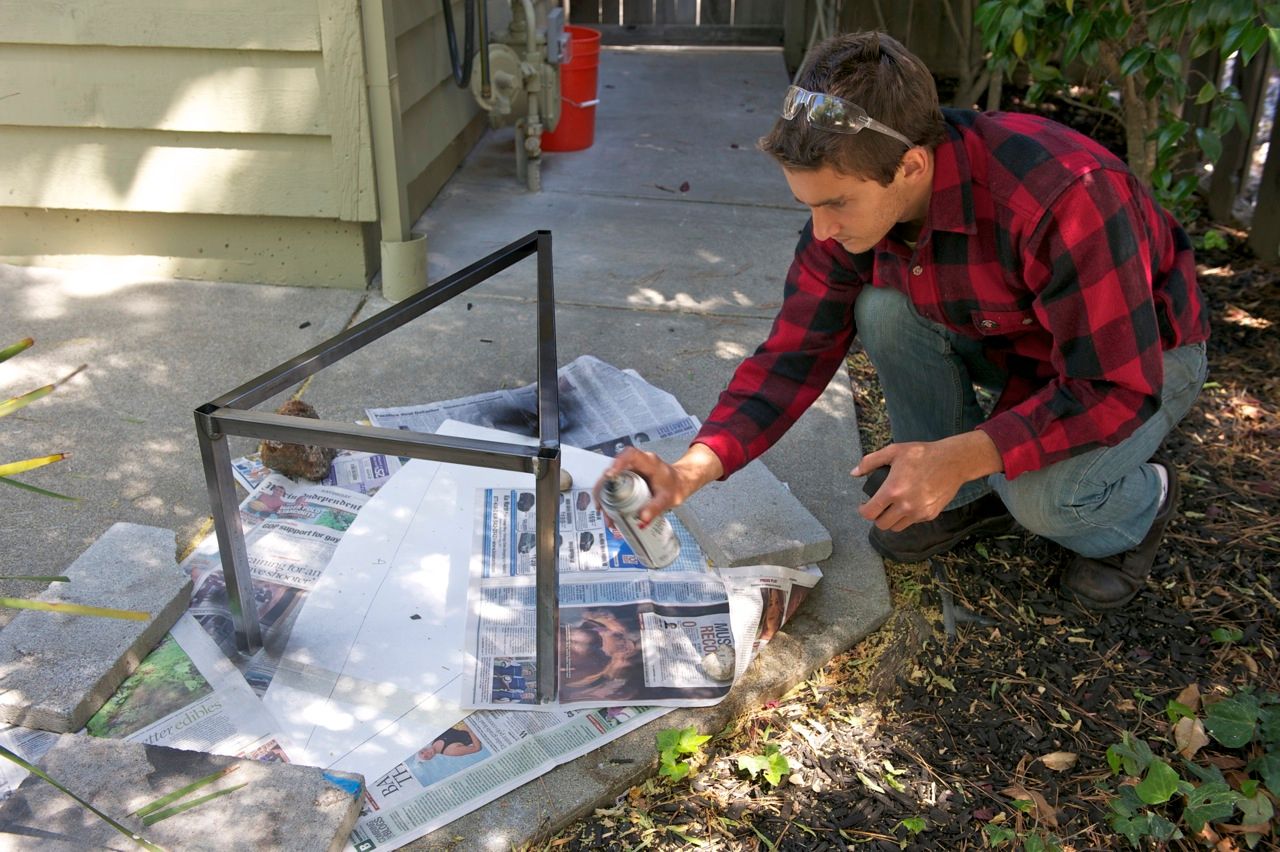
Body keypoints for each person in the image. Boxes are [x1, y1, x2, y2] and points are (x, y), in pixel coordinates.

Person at [600, 31, 1209, 611]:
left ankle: (1144, 503)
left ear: (912, 166)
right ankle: (960, 498)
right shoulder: (860, 193)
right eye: (808, 205)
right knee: (883, 307)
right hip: (1011, 345)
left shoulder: (1068, 197)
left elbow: (1111, 387)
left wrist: (972, 452)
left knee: (1043, 500)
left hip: (1138, 356)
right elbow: (794, 353)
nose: (822, 230)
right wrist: (691, 469)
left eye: (836, 202)